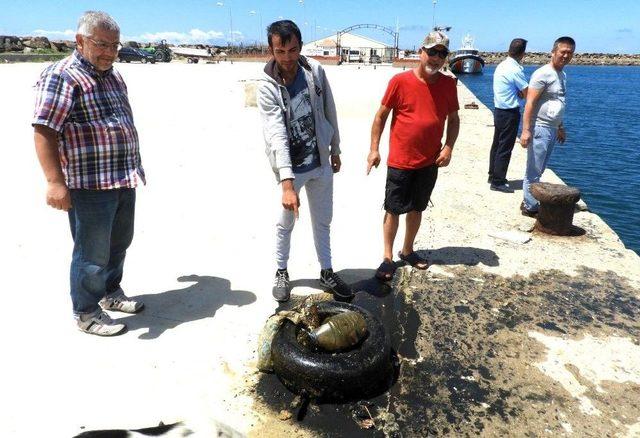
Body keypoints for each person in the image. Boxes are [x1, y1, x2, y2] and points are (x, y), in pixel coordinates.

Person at [33, 11, 145, 336]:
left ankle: (111, 293)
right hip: (89, 183)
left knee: (120, 242)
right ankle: (86, 311)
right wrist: (55, 182)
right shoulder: (62, 75)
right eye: (101, 44)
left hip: (122, 176)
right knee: (92, 252)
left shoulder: (113, 75)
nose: (109, 52)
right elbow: (44, 130)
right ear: (79, 40)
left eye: (114, 45)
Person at [257, 20, 353, 302]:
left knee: (323, 220)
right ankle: (281, 270)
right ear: (271, 49)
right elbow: (276, 134)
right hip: (292, 168)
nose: (287, 57)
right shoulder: (267, 86)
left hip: (320, 161)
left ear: (300, 47)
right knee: (286, 221)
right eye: (280, 51)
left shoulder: (315, 71)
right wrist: (287, 184)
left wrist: (335, 148)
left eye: (293, 50)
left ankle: (326, 270)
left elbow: (329, 110)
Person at [367, 30, 460, 281]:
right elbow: (380, 117)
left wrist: (448, 147)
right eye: (432, 52)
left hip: (429, 160)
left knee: (417, 208)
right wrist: (374, 149)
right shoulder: (400, 81)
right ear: (421, 52)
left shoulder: (449, 84)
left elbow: (453, 120)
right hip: (400, 160)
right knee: (393, 209)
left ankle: (408, 250)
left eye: (442, 54)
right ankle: (387, 257)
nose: (436, 58)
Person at [520, 36, 576, 216]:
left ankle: (531, 201)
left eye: (570, 52)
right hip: (540, 128)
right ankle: (529, 206)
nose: (566, 55)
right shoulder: (542, 73)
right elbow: (529, 103)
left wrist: (560, 127)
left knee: (541, 168)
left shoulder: (562, 74)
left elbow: (558, 101)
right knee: (534, 170)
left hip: (552, 128)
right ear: (553, 52)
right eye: (563, 52)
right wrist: (526, 130)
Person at [488, 38, 528, 193]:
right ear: (523, 53)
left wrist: (519, 92)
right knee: (505, 147)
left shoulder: (501, 65)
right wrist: (521, 94)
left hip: (498, 110)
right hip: (510, 112)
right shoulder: (515, 69)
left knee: (497, 145)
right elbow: (526, 92)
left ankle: (492, 175)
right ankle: (498, 181)